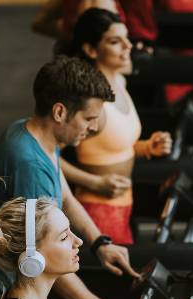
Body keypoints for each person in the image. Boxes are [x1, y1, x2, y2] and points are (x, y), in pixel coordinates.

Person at [0, 55, 149, 299]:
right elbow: (46, 262)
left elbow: (66, 198)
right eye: (88, 118)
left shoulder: (33, 134)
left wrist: (100, 243)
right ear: (60, 112)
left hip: (20, 297)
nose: (94, 128)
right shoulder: (29, 165)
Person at [60, 8, 172, 245]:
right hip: (97, 211)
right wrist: (94, 183)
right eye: (115, 41)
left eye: (127, 39)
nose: (128, 46)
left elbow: (114, 146)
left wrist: (148, 147)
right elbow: (46, 154)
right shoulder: (90, 102)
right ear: (91, 50)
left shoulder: (119, 81)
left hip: (125, 206)